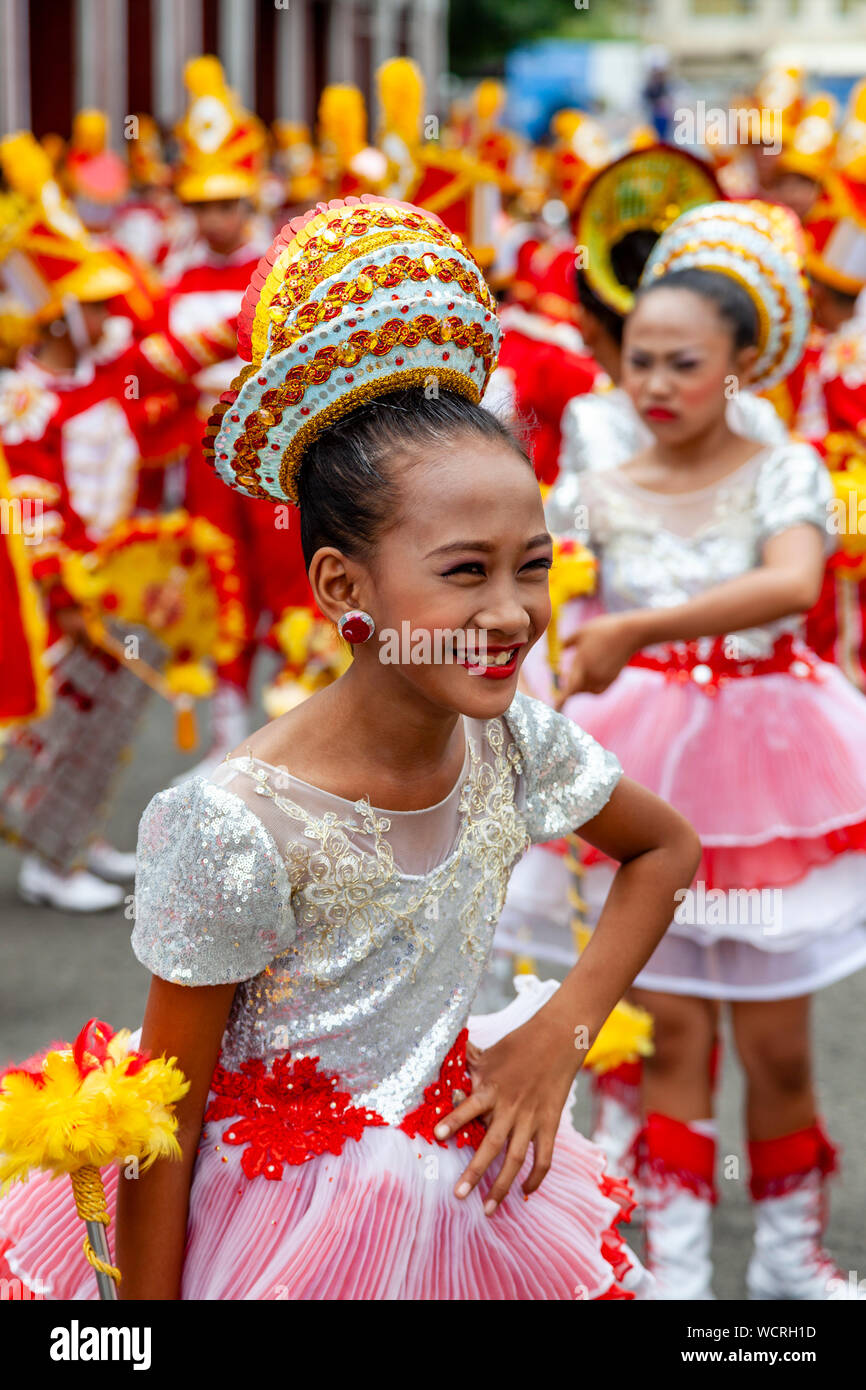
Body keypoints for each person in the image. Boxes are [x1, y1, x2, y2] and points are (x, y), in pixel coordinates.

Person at [0, 196, 701, 1301]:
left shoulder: (512, 735)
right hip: (272, 1232)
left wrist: (558, 1033)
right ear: (342, 588)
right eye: (465, 571)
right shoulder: (231, 820)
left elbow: (665, 851)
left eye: (532, 564)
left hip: (465, 1193)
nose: (515, 611)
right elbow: (166, 1113)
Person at [551, 200, 866, 1300]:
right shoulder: (592, 458)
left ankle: (790, 1266)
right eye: (637, 359)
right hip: (641, 767)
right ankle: (674, 1280)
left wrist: (634, 627)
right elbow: (554, 584)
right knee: (667, 1037)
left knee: (777, 1047)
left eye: (683, 363)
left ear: (743, 363)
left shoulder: (784, 466)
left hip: (772, 769)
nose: (655, 385)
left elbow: (791, 583)